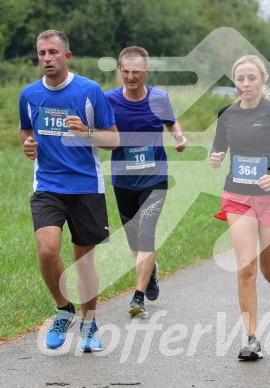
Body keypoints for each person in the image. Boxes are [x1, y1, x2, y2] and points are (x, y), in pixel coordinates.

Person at [19, 30, 119, 352]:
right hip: (48, 184)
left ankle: (90, 323)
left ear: (67, 56)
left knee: (84, 264)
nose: (46, 58)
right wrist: (28, 145)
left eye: (52, 52)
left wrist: (88, 132)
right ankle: (64, 309)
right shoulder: (29, 94)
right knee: (47, 251)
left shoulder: (89, 91)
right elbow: (25, 130)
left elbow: (113, 140)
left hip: (86, 187)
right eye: (42, 53)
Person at [210, 55, 270, 360]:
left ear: (263, 80)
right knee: (245, 266)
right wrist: (215, 156)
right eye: (240, 79)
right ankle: (251, 338)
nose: (246, 84)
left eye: (252, 78)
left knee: (269, 270)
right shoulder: (226, 113)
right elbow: (220, 146)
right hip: (237, 196)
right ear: (234, 82)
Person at [105, 46, 187, 318]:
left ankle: (137, 296)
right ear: (120, 71)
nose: (130, 77)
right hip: (123, 178)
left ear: (146, 71)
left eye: (136, 72)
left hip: (155, 177)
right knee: (132, 235)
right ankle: (149, 271)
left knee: (145, 232)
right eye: (125, 71)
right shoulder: (109, 100)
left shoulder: (159, 98)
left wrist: (179, 137)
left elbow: (171, 123)